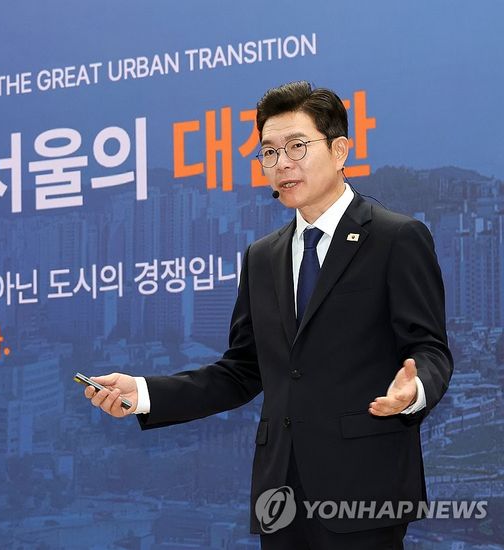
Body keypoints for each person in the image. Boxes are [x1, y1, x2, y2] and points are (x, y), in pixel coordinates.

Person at [81, 81, 453, 549]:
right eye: (269, 153)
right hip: (280, 496)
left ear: (340, 151)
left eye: (297, 146)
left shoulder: (395, 238)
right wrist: (143, 393)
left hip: (365, 487)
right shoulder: (262, 256)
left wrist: (414, 391)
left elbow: (430, 349)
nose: (282, 163)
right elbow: (241, 371)